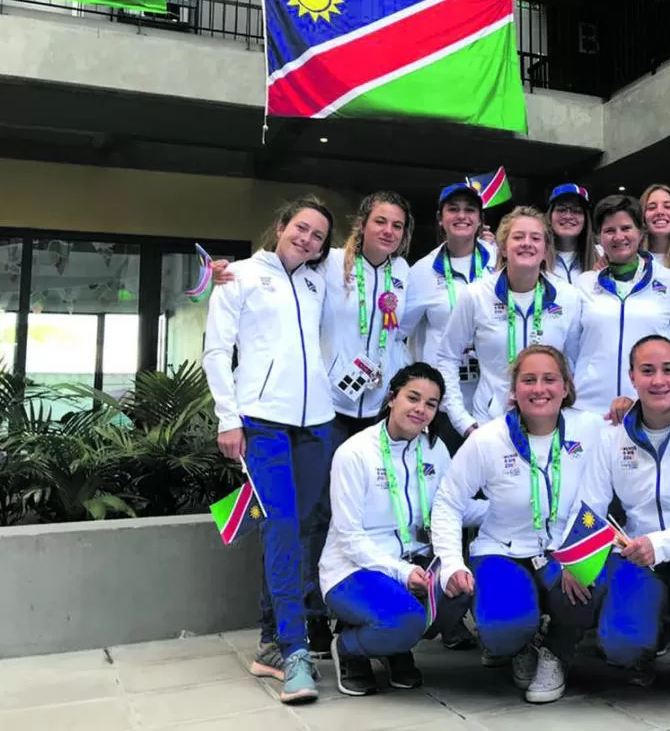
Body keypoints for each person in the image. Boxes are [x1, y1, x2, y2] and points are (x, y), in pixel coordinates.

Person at [202, 196, 338, 705]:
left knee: (299, 531)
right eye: (300, 228)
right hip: (261, 422)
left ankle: (269, 641)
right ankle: (295, 647)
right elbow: (217, 349)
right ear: (280, 226)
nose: (307, 239)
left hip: (316, 422)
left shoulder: (316, 280)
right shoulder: (237, 276)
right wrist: (228, 418)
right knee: (280, 524)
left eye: (318, 236)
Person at [570, 335, 670, 714]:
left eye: (668, 369)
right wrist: (577, 560)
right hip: (634, 551)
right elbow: (591, 508)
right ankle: (653, 630)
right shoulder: (612, 435)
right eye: (647, 371)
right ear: (632, 377)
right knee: (620, 645)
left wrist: (659, 545)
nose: (658, 380)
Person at [431, 346, 602, 703]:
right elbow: (448, 500)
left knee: (592, 581)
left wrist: (580, 555)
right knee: (501, 628)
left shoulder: (593, 428)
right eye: (528, 380)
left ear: (566, 387)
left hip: (564, 548)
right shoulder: (487, 439)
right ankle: (521, 643)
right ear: (514, 390)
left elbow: (612, 476)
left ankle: (555, 653)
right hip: (503, 549)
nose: (539, 388)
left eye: (549, 379)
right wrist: (451, 562)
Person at [322, 363, 485, 696]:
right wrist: (402, 571)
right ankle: (351, 647)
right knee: (407, 619)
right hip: (354, 568)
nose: (420, 409)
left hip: (416, 565)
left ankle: (395, 645)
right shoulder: (354, 453)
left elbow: (452, 507)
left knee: (461, 591)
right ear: (392, 398)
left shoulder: (435, 448)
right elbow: (349, 537)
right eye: (413, 398)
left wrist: (508, 510)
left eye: (430, 403)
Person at [437, 206, 581, 439]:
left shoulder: (569, 297)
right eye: (518, 237)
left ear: (545, 250)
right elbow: (447, 356)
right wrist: (462, 421)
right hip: (489, 423)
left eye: (535, 238)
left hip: (549, 422)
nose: (527, 243)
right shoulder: (475, 295)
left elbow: (573, 363)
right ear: (503, 248)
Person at [401, 183, 494, 454]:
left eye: (469, 210)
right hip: (440, 402)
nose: (461, 216)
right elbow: (401, 334)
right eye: (453, 209)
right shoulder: (423, 271)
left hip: (489, 399)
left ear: (480, 220)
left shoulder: (499, 263)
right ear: (441, 219)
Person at [573, 195, 670, 415]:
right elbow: (571, 347)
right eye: (609, 230)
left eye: (626, 228)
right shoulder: (584, 283)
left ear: (641, 232)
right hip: (589, 408)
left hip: (646, 407)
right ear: (599, 237)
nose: (619, 236)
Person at [324, 191, 413, 438]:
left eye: (397, 226)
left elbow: (401, 332)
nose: (388, 231)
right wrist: (227, 272)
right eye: (380, 221)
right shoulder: (331, 262)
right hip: (332, 401)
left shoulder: (402, 270)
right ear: (362, 225)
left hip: (380, 402)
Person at [547, 184, 598, 282]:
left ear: (586, 219)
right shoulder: (536, 258)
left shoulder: (602, 256)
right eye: (561, 210)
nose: (568, 216)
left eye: (576, 211)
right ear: (550, 215)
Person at [640, 183, 670, 269]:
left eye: (667, 206)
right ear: (642, 216)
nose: (660, 212)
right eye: (651, 207)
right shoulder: (630, 256)